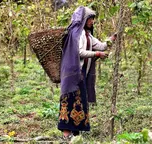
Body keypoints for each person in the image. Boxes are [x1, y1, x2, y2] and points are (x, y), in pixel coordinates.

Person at [58, 6, 116, 139]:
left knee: (80, 102)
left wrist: (112, 39)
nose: (92, 21)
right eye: (90, 18)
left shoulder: (87, 34)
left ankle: (75, 133)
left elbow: (101, 45)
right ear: (84, 19)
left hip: (81, 73)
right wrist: (97, 54)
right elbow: (79, 52)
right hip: (73, 74)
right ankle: (66, 134)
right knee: (70, 100)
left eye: (93, 19)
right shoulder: (76, 34)